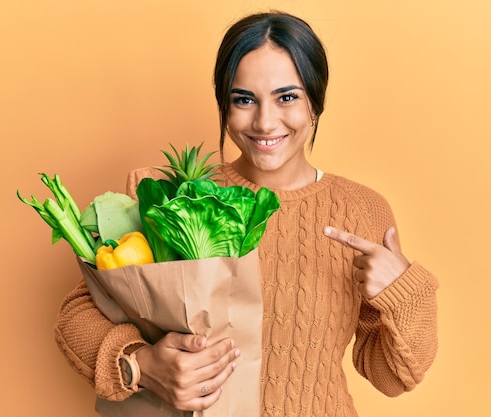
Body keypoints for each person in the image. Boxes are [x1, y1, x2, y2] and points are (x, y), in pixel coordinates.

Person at [54, 10, 439, 417]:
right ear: (224, 104)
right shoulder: (175, 197)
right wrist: (142, 366)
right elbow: (77, 314)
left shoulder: (363, 210)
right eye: (244, 99)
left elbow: (391, 377)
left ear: (315, 102)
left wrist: (404, 290)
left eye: (287, 97)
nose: (264, 121)